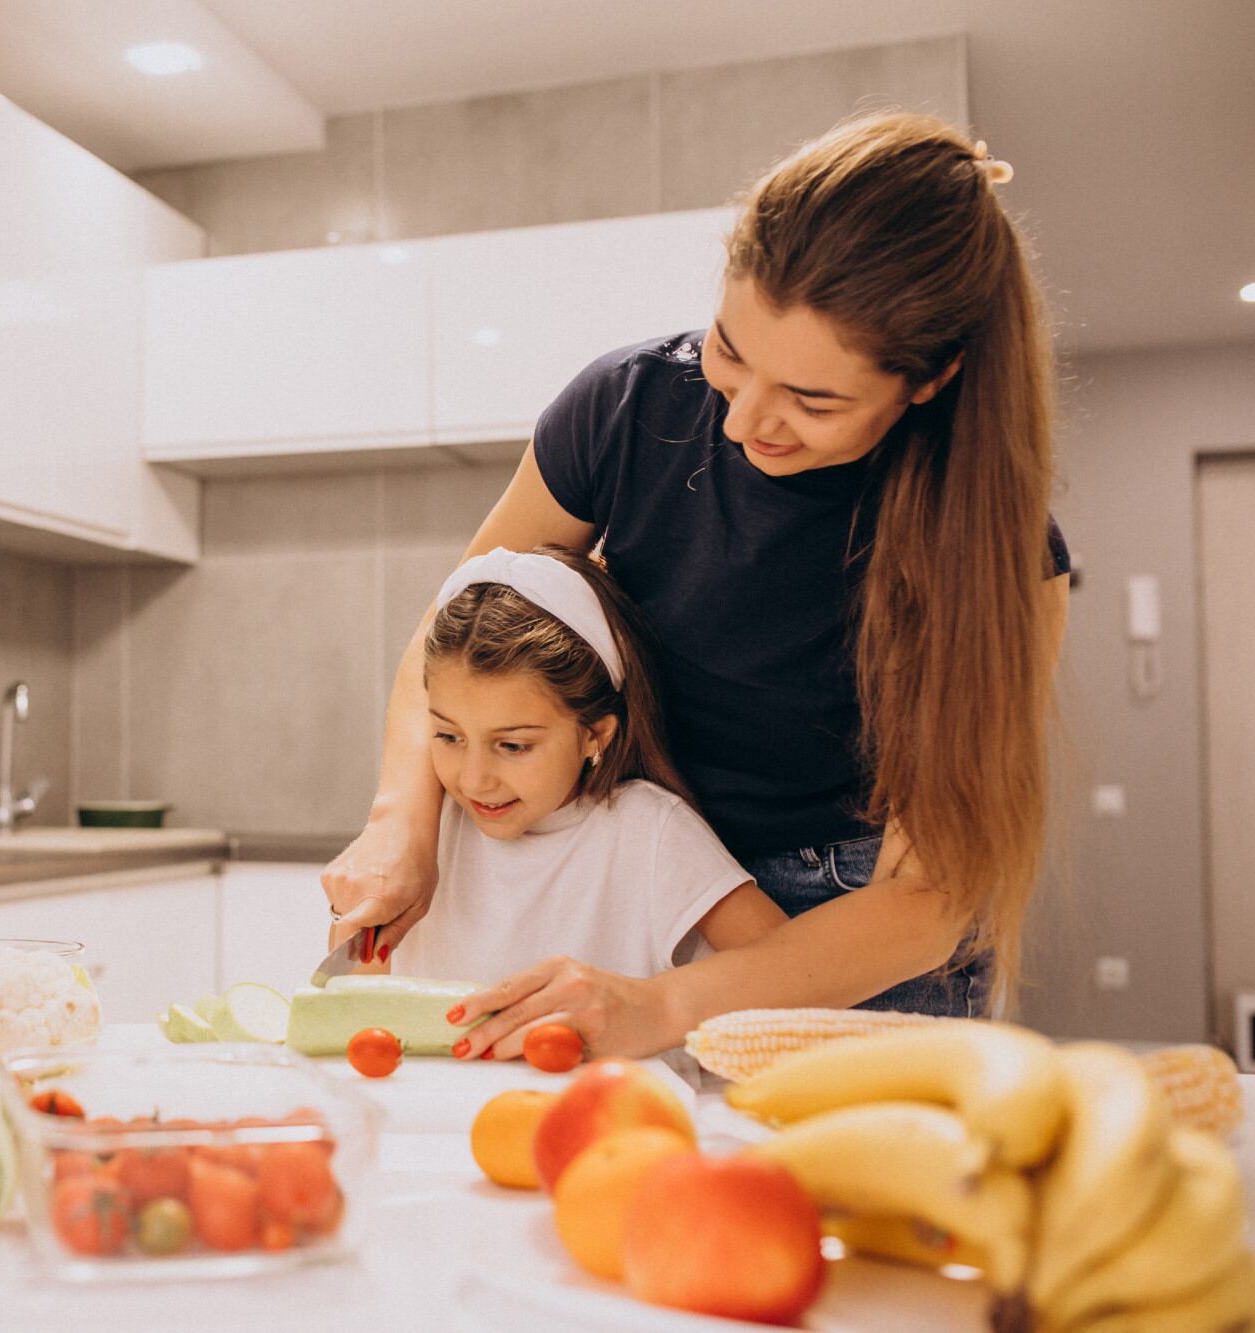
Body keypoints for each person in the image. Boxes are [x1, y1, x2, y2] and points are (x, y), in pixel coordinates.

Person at [322, 110, 1071, 1061]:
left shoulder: (997, 549)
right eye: (730, 351)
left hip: (851, 921)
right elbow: (454, 621)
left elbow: (932, 898)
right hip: (646, 860)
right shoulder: (625, 405)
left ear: (928, 382)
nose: (743, 423)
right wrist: (402, 821)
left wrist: (668, 1003)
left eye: (814, 399)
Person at [388, 543, 786, 1012]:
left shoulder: (649, 833)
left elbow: (796, 974)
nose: (475, 780)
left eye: (514, 746)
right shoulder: (428, 826)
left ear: (594, 734)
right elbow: (349, 998)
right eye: (448, 736)